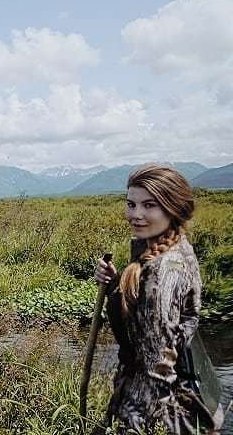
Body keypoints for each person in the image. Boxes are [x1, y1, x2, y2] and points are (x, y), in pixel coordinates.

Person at [94, 164, 223, 434]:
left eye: (149, 205)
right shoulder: (171, 247)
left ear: (172, 207)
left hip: (152, 409)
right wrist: (118, 285)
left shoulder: (163, 273)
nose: (136, 214)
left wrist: (132, 425)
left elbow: (156, 369)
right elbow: (148, 314)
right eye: (131, 204)